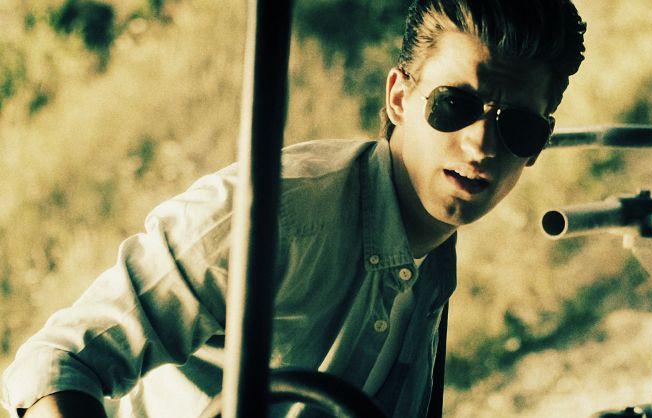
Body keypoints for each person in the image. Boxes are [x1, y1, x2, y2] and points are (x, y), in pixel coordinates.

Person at [2, 0, 586, 416]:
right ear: (399, 98)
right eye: (455, 105)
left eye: (518, 126)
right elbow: (54, 365)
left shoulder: (434, 269)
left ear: (538, 146)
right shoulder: (271, 214)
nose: (481, 145)